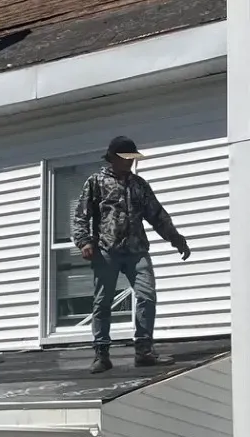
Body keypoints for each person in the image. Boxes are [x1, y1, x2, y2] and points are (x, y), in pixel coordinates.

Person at [70, 136, 191, 374]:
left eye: (132, 159)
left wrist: (176, 239)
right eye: (125, 158)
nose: (130, 163)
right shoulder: (96, 182)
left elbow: (157, 215)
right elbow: (81, 215)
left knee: (147, 295)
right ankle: (102, 353)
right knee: (102, 302)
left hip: (137, 250)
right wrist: (84, 242)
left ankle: (144, 350)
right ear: (113, 158)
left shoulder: (139, 185)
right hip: (107, 250)